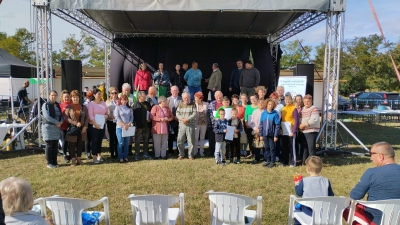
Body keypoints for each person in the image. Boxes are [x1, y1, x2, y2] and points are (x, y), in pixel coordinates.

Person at [348, 142, 400, 225]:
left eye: (371, 154)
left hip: (374, 220)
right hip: (397, 219)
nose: (371, 158)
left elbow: (355, 196)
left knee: (347, 207)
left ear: (380, 156)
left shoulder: (371, 173)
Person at [293, 156, 334, 225]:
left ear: (308, 169)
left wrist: (297, 185)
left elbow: (298, 193)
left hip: (307, 211)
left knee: (297, 211)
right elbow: (331, 196)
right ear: (321, 168)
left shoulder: (305, 181)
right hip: (322, 212)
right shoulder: (326, 181)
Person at [64, 90, 89, 166]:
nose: (75, 99)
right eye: (74, 97)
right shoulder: (68, 107)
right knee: (72, 145)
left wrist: (85, 126)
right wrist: (75, 123)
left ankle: (79, 159)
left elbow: (87, 117)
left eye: (77, 97)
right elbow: (66, 118)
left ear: (79, 98)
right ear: (71, 98)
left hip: (82, 129)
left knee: (80, 144)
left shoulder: (83, 107)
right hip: (72, 129)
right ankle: (73, 160)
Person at [42, 90, 63, 169]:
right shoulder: (46, 105)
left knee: (55, 145)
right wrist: (56, 122)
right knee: (49, 145)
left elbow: (61, 115)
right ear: (49, 96)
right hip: (48, 128)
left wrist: (61, 122)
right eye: (52, 95)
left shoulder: (58, 105)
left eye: (55, 95)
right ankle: (49, 162)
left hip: (57, 128)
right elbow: (46, 116)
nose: (53, 97)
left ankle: (55, 162)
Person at [87, 88, 108, 164]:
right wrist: (96, 125)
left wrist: (106, 116)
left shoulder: (103, 103)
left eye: (100, 94)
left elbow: (106, 113)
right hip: (93, 125)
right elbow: (91, 115)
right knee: (94, 140)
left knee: (100, 140)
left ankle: (99, 155)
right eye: (98, 94)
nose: (100, 95)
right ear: (94, 95)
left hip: (102, 125)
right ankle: (94, 156)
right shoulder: (91, 104)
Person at [299, 94, 320, 165]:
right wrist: (299, 125)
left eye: (308, 101)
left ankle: (313, 164)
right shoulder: (302, 109)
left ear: (311, 101)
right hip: (303, 131)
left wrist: (304, 125)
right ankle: (304, 162)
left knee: (311, 148)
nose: (306, 103)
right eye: (305, 101)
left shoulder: (314, 108)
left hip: (311, 131)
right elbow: (299, 119)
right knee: (304, 147)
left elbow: (313, 120)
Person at [259, 98, 280, 168]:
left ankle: (272, 161)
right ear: (266, 105)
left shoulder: (275, 114)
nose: (270, 106)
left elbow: (277, 125)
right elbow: (261, 124)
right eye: (269, 104)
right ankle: (268, 160)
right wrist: (261, 134)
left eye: (271, 104)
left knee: (272, 148)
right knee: (266, 148)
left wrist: (276, 136)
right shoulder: (263, 113)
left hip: (272, 134)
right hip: (265, 134)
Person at [176, 92, 197, 160]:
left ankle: (190, 155)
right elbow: (177, 113)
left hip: (190, 125)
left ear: (189, 97)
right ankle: (181, 154)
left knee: (191, 141)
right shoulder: (180, 104)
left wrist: (187, 119)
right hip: (182, 125)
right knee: (180, 140)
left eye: (187, 97)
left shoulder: (193, 104)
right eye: (185, 98)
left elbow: (194, 114)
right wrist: (183, 119)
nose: (186, 99)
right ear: (182, 98)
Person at [281, 92, 299, 167]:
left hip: (291, 131)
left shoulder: (294, 108)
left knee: (292, 147)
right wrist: (281, 130)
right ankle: (285, 161)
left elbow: (296, 120)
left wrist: (294, 131)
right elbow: (282, 119)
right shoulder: (283, 108)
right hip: (284, 131)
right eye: (286, 99)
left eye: (289, 99)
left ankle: (292, 162)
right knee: (284, 146)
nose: (287, 100)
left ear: (291, 100)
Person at [114, 94, 133, 163]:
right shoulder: (118, 108)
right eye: (122, 100)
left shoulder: (130, 108)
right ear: (120, 100)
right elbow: (117, 117)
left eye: (125, 100)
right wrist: (123, 124)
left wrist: (128, 124)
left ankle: (125, 156)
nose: (124, 101)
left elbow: (131, 117)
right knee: (120, 142)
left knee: (126, 142)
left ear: (127, 100)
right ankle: (120, 157)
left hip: (127, 128)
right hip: (119, 127)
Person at [133, 91, 152, 160]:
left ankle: (145, 153)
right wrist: (134, 125)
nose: (145, 97)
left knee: (146, 140)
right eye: (143, 96)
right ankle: (137, 154)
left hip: (147, 125)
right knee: (137, 141)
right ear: (139, 97)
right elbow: (133, 116)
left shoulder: (147, 104)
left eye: (145, 96)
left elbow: (150, 113)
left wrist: (150, 119)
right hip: (138, 126)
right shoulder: (135, 104)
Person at [166, 86, 182, 157]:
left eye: (176, 90)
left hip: (179, 121)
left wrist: (178, 118)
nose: (175, 92)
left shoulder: (181, 99)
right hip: (170, 122)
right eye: (173, 90)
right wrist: (172, 117)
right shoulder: (167, 100)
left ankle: (179, 151)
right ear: (171, 91)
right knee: (171, 137)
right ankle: (170, 151)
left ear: (178, 91)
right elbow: (166, 110)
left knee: (179, 137)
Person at [207, 91, 224, 157]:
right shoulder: (212, 103)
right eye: (217, 96)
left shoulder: (225, 103)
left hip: (223, 125)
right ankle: (212, 152)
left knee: (222, 140)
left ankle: (221, 153)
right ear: (214, 97)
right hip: (213, 125)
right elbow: (210, 114)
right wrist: (215, 122)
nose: (218, 97)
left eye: (220, 96)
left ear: (222, 96)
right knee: (212, 139)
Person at [249, 99, 266, 163]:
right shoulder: (255, 112)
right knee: (256, 145)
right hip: (256, 131)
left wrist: (262, 129)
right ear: (257, 104)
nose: (261, 104)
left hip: (264, 131)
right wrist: (255, 128)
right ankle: (257, 158)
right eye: (259, 103)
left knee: (264, 145)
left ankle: (265, 159)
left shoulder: (266, 112)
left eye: (262, 103)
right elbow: (251, 122)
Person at [194, 92, 209, 157]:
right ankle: (195, 151)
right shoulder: (194, 105)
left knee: (202, 138)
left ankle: (201, 151)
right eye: (195, 98)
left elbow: (208, 114)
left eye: (197, 98)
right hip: (196, 124)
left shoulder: (206, 104)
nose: (196, 100)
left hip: (204, 124)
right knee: (195, 138)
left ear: (201, 98)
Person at [244, 94, 258, 158]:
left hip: (257, 127)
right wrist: (246, 124)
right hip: (249, 126)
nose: (253, 100)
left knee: (256, 139)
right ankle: (251, 152)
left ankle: (257, 153)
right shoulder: (248, 107)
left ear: (257, 99)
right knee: (250, 139)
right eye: (251, 99)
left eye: (254, 98)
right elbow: (245, 116)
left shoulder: (259, 107)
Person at [106, 87, 119, 158]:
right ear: (110, 94)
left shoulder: (120, 101)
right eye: (112, 93)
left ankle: (117, 152)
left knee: (117, 138)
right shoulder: (108, 102)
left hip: (119, 122)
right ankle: (112, 153)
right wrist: (109, 116)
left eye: (115, 93)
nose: (114, 94)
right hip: (111, 121)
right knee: (112, 138)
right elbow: (105, 112)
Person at [59, 90, 71, 163]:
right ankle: (64, 155)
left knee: (70, 141)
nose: (67, 98)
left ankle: (70, 154)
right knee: (64, 141)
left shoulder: (72, 104)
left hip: (71, 126)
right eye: (65, 97)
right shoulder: (60, 105)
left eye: (68, 97)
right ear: (62, 98)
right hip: (63, 126)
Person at [84, 90, 94, 159]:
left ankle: (93, 151)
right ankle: (88, 152)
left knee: (93, 139)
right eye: (90, 96)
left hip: (94, 123)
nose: (91, 97)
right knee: (88, 139)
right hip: (87, 123)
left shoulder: (95, 103)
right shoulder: (85, 104)